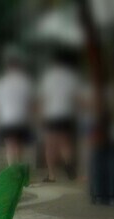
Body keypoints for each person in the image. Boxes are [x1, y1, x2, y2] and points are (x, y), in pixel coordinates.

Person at [38, 51, 83, 182]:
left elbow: (43, 98)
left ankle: (52, 175)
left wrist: (40, 116)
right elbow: (76, 97)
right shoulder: (71, 76)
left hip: (51, 115)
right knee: (65, 143)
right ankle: (71, 172)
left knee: (50, 145)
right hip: (66, 114)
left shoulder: (48, 77)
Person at [0, 49, 35, 167]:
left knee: (10, 146)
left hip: (6, 120)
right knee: (19, 145)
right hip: (21, 120)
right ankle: (18, 167)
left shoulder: (1, 83)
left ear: (8, 68)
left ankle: (13, 169)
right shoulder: (26, 82)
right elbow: (32, 103)